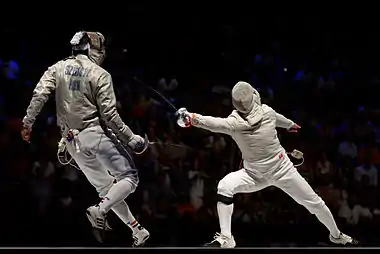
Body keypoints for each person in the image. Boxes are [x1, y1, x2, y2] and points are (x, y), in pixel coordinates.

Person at [176, 81, 359, 248]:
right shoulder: (266, 111)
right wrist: (290, 125)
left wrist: (192, 118)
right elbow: (279, 119)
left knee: (314, 203)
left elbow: (213, 123)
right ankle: (226, 238)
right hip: (257, 173)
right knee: (226, 186)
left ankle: (336, 236)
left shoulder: (234, 123)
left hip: (279, 170)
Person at [21, 31, 150, 246]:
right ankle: (99, 210)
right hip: (94, 134)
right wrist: (132, 139)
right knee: (130, 177)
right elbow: (109, 115)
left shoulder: (57, 67)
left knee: (107, 191)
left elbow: (39, 94)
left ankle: (137, 230)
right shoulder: (99, 73)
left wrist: (27, 123)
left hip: (72, 142)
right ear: (91, 49)